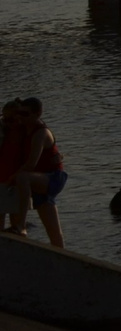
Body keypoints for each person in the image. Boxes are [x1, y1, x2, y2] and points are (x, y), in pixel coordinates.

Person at [2, 98, 68, 249]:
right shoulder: (22, 128)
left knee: (22, 178)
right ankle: (60, 257)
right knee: (54, 233)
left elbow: (31, 164)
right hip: (37, 180)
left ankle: (21, 225)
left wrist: (11, 178)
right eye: (19, 113)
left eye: (25, 114)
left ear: (38, 114)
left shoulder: (41, 133)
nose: (20, 117)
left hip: (52, 178)